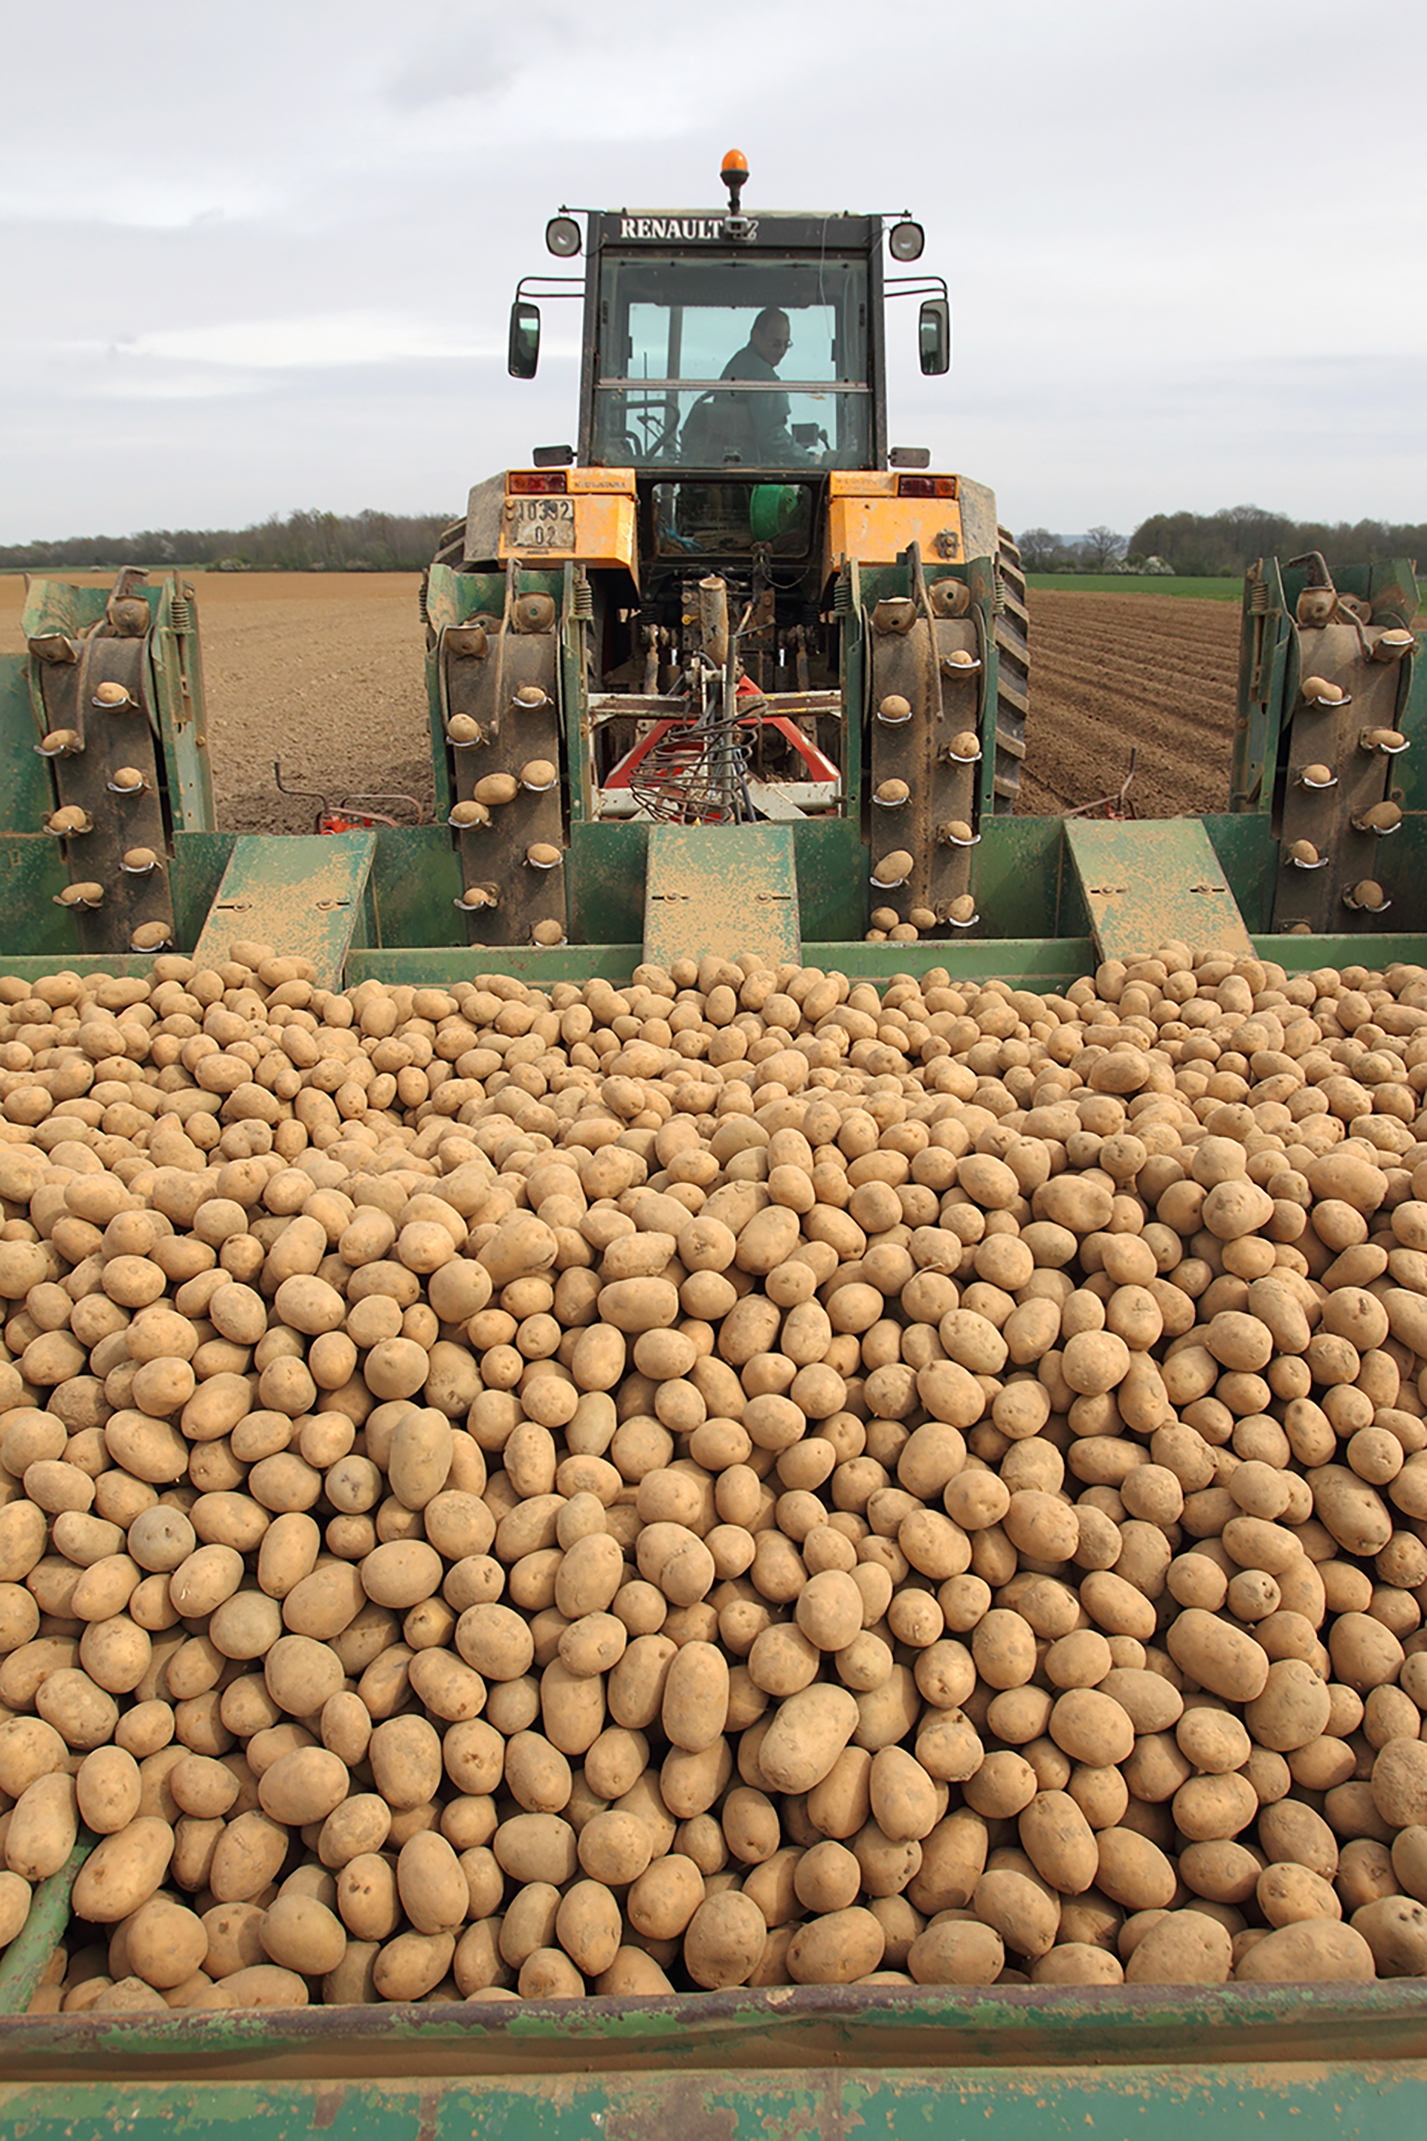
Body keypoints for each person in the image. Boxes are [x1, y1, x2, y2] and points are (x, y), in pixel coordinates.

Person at [710, 306, 814, 465]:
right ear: (755, 335)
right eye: (775, 343)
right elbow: (772, 435)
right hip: (747, 465)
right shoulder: (761, 375)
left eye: (786, 344)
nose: (781, 351)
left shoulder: (740, 362)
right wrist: (809, 461)